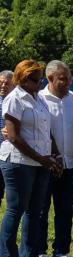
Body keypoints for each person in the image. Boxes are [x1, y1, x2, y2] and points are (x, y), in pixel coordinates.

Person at [0, 60, 60, 257]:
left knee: (36, 211)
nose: (38, 83)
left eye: (40, 79)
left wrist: (54, 156)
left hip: (40, 163)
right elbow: (14, 137)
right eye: (34, 80)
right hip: (18, 162)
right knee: (16, 209)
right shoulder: (14, 99)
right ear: (22, 79)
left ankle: (30, 256)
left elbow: (46, 131)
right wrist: (40, 158)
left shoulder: (38, 99)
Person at [36, 60, 73, 257]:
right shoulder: (39, 99)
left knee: (65, 210)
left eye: (69, 79)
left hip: (69, 165)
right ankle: (39, 253)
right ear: (50, 79)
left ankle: (61, 252)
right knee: (41, 210)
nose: (67, 83)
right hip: (45, 166)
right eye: (63, 79)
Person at [0, 69, 11, 207]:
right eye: (1, 83)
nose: (3, 86)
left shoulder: (16, 102)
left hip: (10, 154)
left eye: (6, 83)